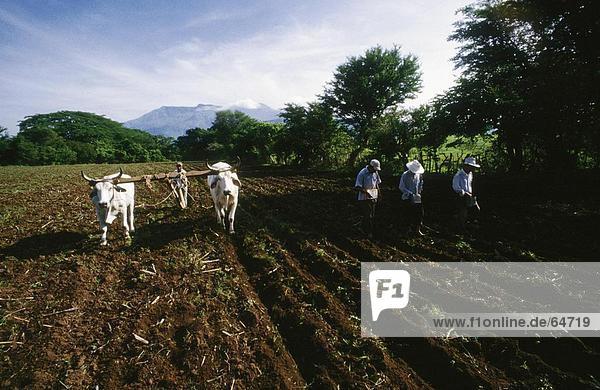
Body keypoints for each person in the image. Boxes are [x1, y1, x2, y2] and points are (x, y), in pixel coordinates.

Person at [355, 159, 382, 237]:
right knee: (368, 215)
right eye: (374, 169)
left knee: (372, 215)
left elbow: (377, 184)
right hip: (364, 198)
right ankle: (367, 231)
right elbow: (357, 187)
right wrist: (367, 192)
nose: (375, 171)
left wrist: (379, 194)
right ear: (370, 166)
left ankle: (365, 229)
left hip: (373, 196)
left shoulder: (375, 172)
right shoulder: (362, 173)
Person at [452, 157, 481, 229]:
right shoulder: (458, 175)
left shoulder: (470, 174)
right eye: (472, 167)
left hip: (469, 195)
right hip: (461, 196)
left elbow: (469, 184)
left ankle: (470, 224)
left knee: (476, 209)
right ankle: (462, 228)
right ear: (467, 166)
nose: (473, 169)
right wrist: (464, 193)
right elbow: (456, 187)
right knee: (463, 212)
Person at [399, 160, 425, 236]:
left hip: (416, 197)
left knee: (420, 213)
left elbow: (420, 183)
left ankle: (417, 229)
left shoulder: (418, 175)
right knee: (407, 214)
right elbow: (401, 187)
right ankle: (408, 230)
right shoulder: (405, 175)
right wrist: (410, 194)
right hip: (407, 197)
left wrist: (419, 192)